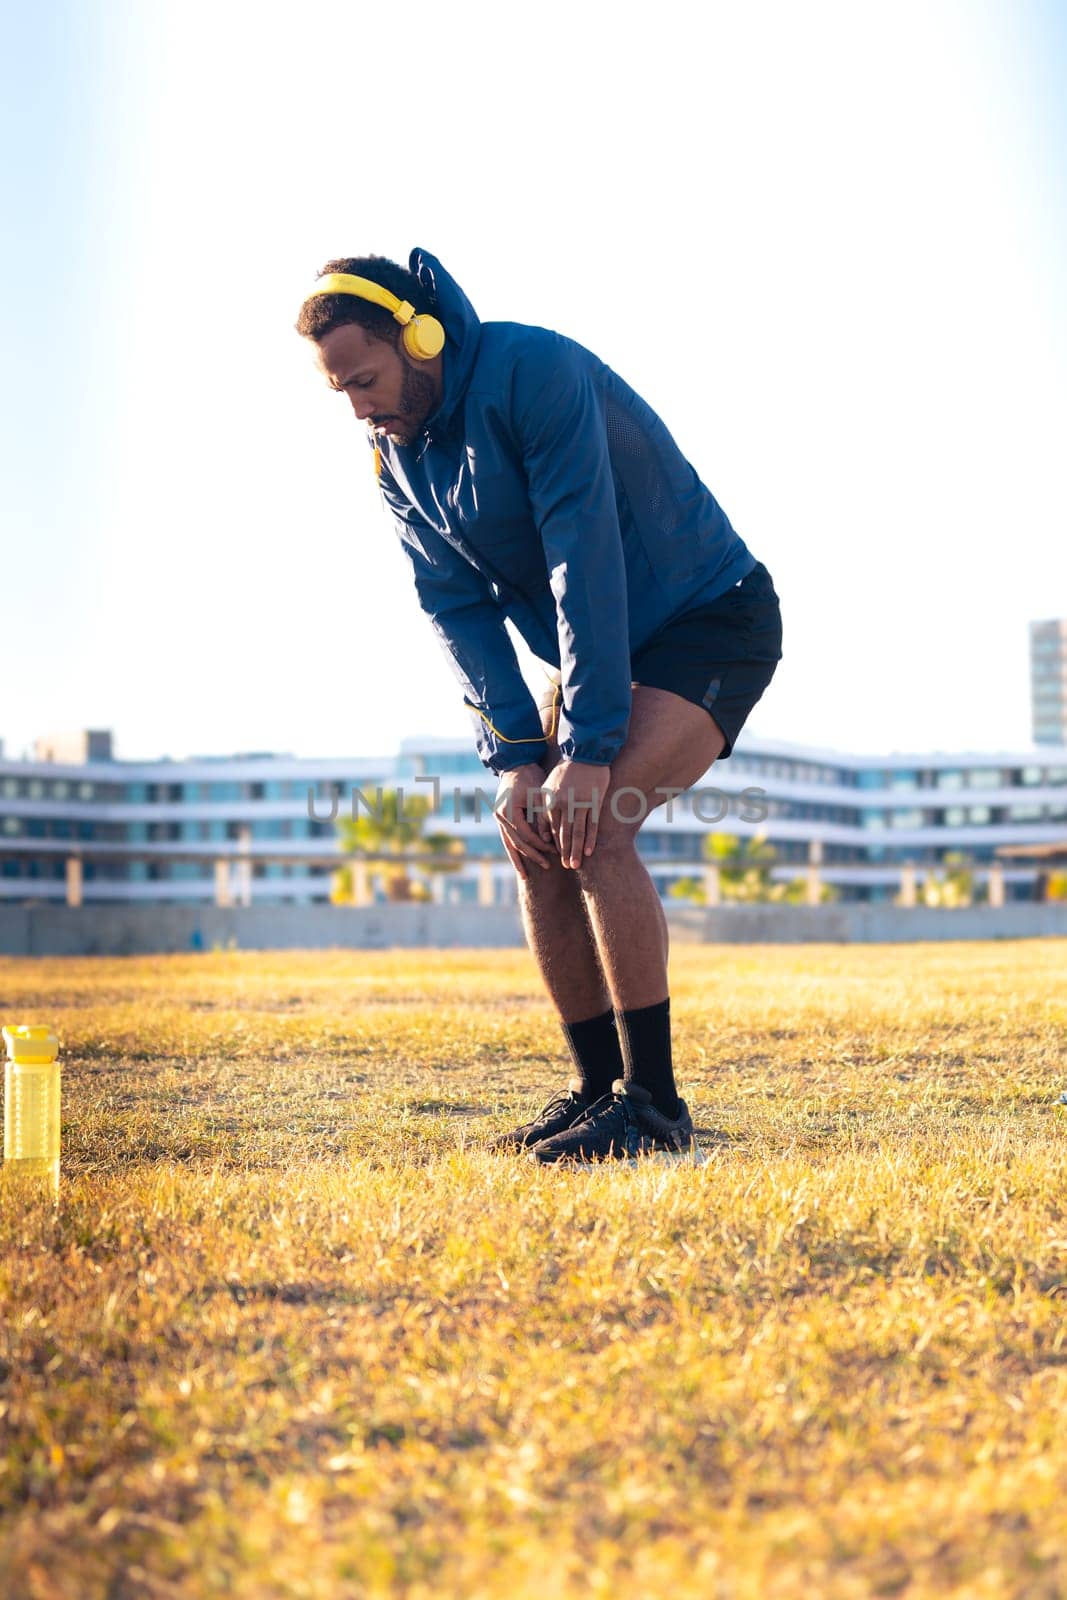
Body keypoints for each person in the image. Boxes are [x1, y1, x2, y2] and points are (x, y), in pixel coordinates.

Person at [296, 248, 783, 1164]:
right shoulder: (393, 460)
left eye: (365, 379)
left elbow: (581, 554)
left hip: (707, 618)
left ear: (420, 337)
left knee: (595, 826)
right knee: (535, 838)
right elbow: (453, 605)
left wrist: (589, 745)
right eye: (340, 393)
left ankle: (656, 1109)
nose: (359, 407)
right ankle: (599, 1088)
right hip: (596, 646)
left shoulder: (536, 373)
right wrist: (515, 755)